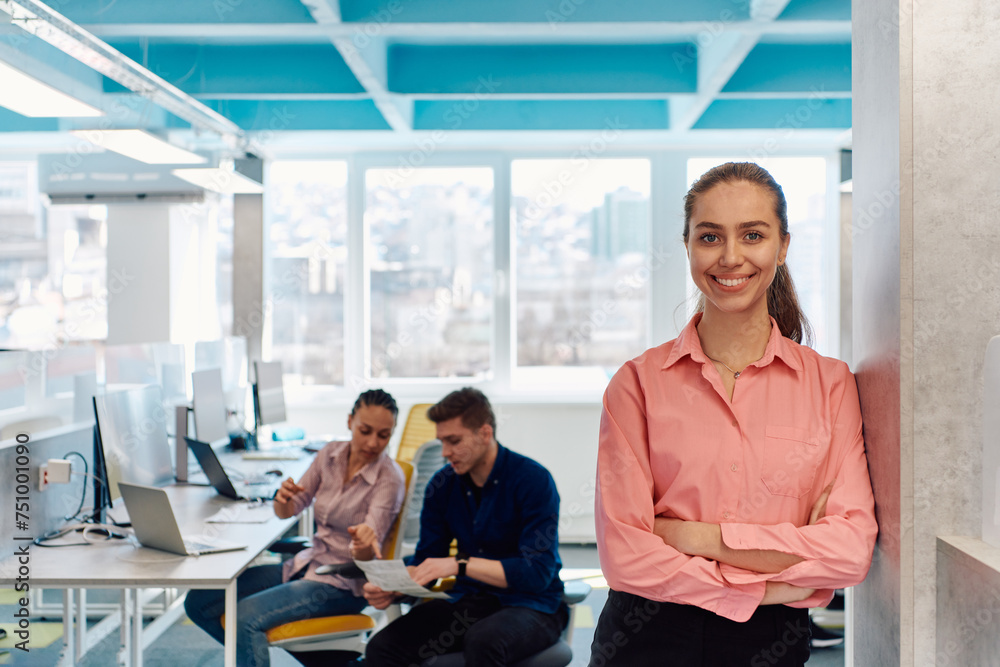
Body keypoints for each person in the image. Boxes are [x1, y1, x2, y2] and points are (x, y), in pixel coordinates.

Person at [588, 162, 878, 667]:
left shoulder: (830, 386)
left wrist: (690, 536)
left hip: (768, 643)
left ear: (782, 246)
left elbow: (850, 549)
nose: (731, 256)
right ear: (687, 247)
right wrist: (768, 586)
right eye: (709, 237)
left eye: (752, 235)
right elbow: (625, 555)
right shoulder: (637, 384)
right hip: (644, 634)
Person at [184, 389, 406, 667]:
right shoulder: (330, 455)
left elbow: (368, 554)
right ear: (350, 421)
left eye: (383, 435)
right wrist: (282, 499)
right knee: (199, 602)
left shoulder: (389, 478)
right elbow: (288, 509)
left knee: (244, 619)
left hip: (342, 583)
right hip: (304, 565)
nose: (373, 442)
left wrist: (362, 545)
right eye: (365, 430)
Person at [363, 387, 568, 667]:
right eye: (441, 441)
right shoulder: (442, 485)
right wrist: (397, 587)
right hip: (472, 601)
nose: (445, 452)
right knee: (382, 648)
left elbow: (536, 574)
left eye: (454, 441)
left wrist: (460, 564)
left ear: (485, 433)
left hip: (534, 606)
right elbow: (428, 558)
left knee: (484, 642)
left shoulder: (533, 481)